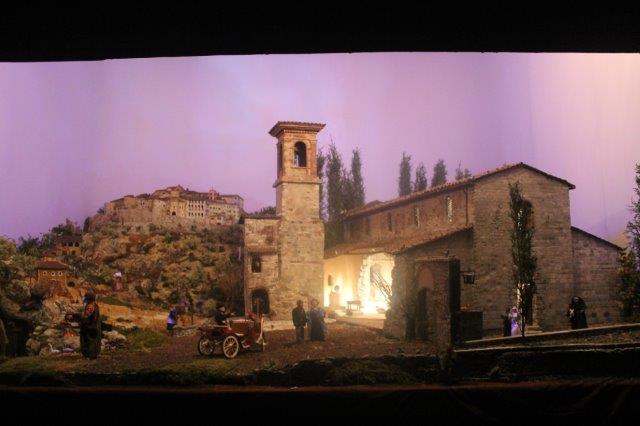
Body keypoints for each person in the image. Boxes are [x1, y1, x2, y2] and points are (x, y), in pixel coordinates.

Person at [79, 290, 101, 359]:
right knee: (95, 341)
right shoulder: (96, 305)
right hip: (95, 326)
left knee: (87, 341)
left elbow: (86, 317)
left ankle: (88, 355)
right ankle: (94, 354)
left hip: (89, 327)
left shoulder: (89, 306)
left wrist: (80, 317)